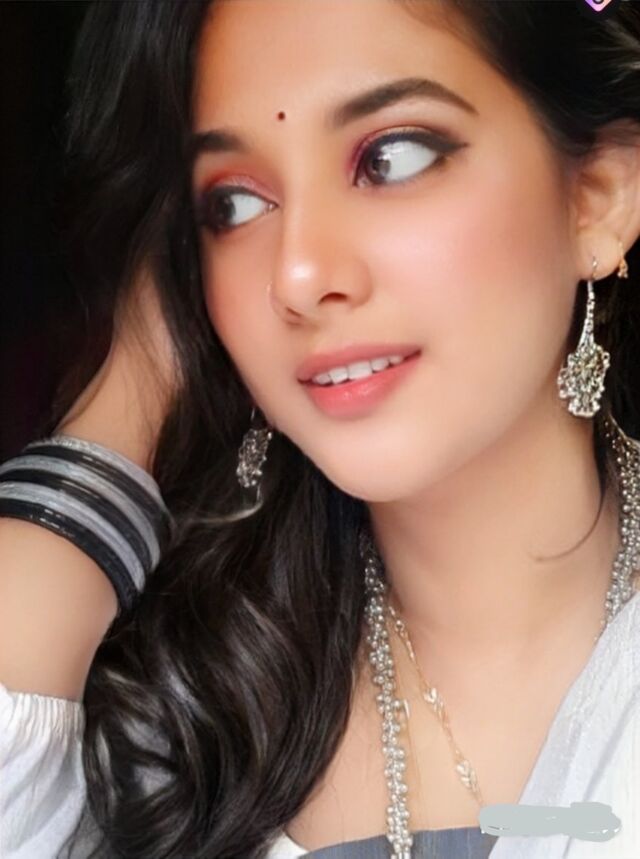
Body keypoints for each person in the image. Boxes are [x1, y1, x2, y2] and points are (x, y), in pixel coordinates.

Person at [1, 0, 640, 857]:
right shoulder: (180, 720)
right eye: (233, 203)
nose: (298, 274)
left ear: (598, 197)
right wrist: (136, 385)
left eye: (391, 157)